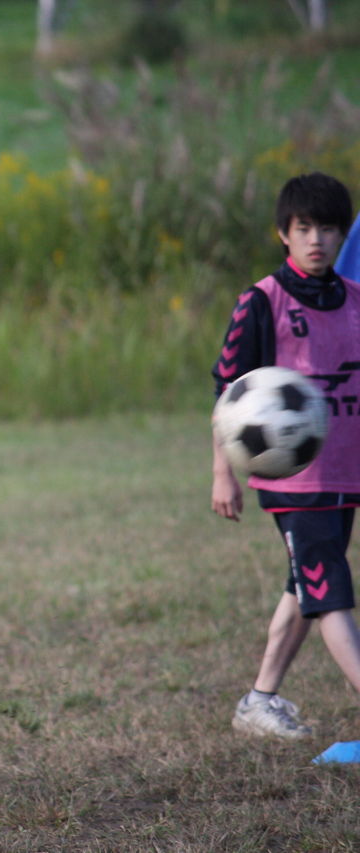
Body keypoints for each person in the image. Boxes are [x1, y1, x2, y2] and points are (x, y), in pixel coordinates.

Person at [212, 171, 360, 740]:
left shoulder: (355, 302)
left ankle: (259, 700)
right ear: (283, 233)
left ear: (343, 234)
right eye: (303, 228)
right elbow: (228, 393)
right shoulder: (261, 302)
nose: (316, 239)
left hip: (344, 474)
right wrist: (223, 473)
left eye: (328, 228)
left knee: (305, 586)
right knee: (329, 595)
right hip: (294, 481)